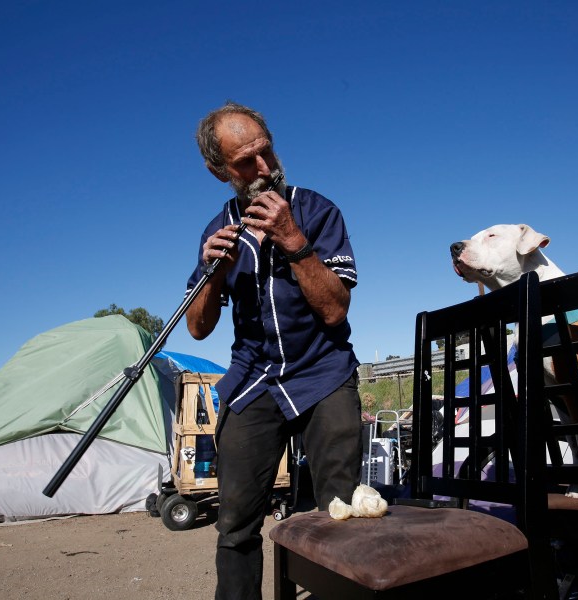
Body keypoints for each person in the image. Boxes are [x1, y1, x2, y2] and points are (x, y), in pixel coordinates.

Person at [185, 101, 362, 600]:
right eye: (245, 161)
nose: (264, 168)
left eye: (266, 151)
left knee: (340, 513)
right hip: (255, 380)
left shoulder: (317, 210)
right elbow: (198, 329)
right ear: (218, 171)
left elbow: (335, 311)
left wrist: (291, 239)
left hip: (322, 370)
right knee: (236, 523)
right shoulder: (216, 230)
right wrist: (213, 274)